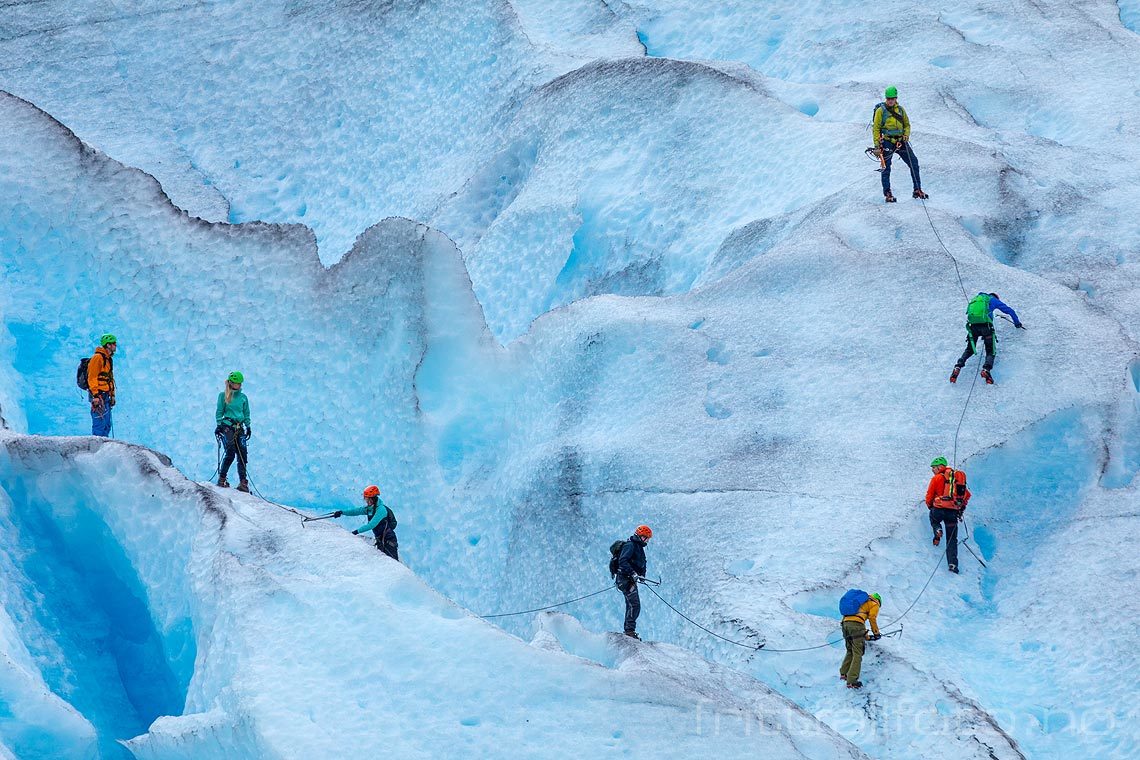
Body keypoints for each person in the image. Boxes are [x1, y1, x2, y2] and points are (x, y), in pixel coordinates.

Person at [950, 292, 1024, 384]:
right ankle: (986, 370)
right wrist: (1017, 323)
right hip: (986, 327)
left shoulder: (976, 299)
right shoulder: (993, 300)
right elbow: (1010, 311)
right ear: (996, 297)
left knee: (969, 349)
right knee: (990, 351)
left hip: (972, 327)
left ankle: (958, 366)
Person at [872, 86, 928, 203]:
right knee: (886, 167)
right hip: (887, 141)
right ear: (886, 98)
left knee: (914, 162)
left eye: (892, 98)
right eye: (888, 98)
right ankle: (888, 193)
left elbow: (907, 125)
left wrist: (906, 135)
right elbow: (876, 128)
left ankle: (917, 190)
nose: (890, 101)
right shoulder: (880, 111)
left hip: (901, 141)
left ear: (896, 98)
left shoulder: (901, 110)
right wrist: (877, 146)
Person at [925, 456, 971, 573]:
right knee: (952, 539)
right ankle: (953, 565)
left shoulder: (937, 478)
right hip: (953, 512)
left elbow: (929, 495)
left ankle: (938, 530)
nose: (933, 470)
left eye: (934, 468)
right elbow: (967, 495)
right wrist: (961, 508)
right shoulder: (957, 479)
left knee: (934, 520)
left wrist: (930, 506)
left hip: (938, 509)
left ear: (940, 467)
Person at [334, 485, 399, 560]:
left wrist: (356, 531)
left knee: (393, 563)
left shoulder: (381, 510)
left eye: (367, 499)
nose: (366, 501)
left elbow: (371, 525)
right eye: (365, 499)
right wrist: (342, 512)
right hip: (380, 540)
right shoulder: (370, 509)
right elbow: (356, 511)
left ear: (373, 499)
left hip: (389, 540)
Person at [215, 371, 251, 492]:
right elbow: (219, 411)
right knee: (230, 453)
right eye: (237, 383)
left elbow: (246, 413)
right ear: (231, 383)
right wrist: (219, 424)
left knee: (242, 455)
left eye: (240, 383)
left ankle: (243, 483)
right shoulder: (223, 395)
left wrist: (248, 426)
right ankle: (222, 479)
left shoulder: (243, 397)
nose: (240, 385)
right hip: (227, 426)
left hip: (239, 427)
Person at [615, 525, 652, 640]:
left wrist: (642, 576)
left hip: (629, 579)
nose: (647, 540)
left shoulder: (638, 547)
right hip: (625, 580)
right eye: (646, 538)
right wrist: (633, 573)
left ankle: (629, 630)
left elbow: (641, 563)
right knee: (635, 605)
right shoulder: (630, 545)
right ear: (641, 536)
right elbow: (623, 561)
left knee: (631, 605)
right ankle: (629, 631)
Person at [839, 590, 882, 689]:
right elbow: (871, 618)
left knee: (850, 650)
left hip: (845, 624)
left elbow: (855, 621)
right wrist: (876, 633)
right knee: (858, 653)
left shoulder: (861, 601)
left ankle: (844, 673)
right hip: (856, 626)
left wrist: (866, 637)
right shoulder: (874, 603)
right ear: (879, 601)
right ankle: (852, 681)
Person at [87, 334, 117, 437]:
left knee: (106, 424)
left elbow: (110, 379)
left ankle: (105, 449)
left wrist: (112, 395)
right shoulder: (97, 358)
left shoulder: (108, 359)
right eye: (114, 343)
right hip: (99, 395)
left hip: (106, 395)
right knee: (99, 424)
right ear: (108, 345)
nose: (115, 346)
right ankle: (96, 448)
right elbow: (92, 377)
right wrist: (95, 395)